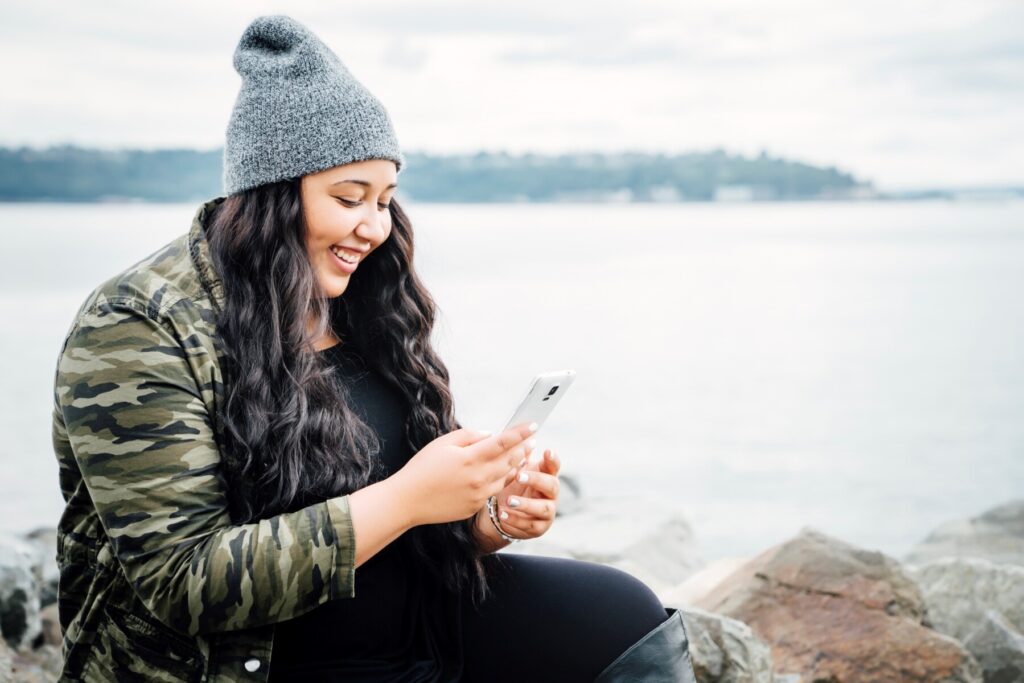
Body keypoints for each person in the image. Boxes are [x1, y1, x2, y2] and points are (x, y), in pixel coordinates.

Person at [50, 14, 697, 682]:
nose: (375, 227)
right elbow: (183, 580)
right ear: (270, 195)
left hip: (414, 629)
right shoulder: (137, 324)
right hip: (255, 665)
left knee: (625, 613)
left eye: (386, 199)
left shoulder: (360, 301)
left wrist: (485, 518)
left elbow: (401, 514)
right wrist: (410, 497)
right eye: (349, 197)